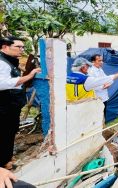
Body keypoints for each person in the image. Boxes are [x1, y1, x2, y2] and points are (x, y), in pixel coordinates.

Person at [0, 36, 40, 187]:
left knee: (10, 133)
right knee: (4, 134)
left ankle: (6, 162)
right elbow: (2, 83)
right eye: (19, 47)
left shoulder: (9, 62)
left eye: (23, 47)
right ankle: (3, 167)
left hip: (11, 106)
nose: (22, 50)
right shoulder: (1, 62)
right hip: (4, 107)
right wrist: (28, 76)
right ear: (5, 47)